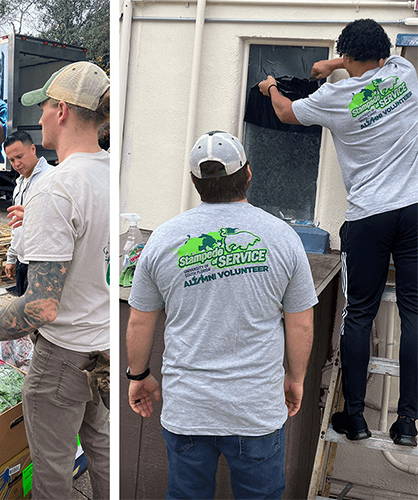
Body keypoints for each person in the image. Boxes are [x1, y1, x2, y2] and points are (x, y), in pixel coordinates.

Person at [127, 131, 317, 499]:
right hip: (256, 409)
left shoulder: (163, 239)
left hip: (188, 410)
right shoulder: (282, 238)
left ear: (195, 182)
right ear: (248, 173)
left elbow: (139, 320)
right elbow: (302, 321)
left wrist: (139, 375)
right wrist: (295, 379)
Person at [0, 61, 111, 499]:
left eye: (42, 106)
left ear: (61, 110)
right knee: (100, 449)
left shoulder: (56, 187)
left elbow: (41, 306)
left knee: (52, 473)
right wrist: (36, 224)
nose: (38, 116)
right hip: (101, 345)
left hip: (63, 358)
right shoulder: (109, 172)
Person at [259, 18, 417, 446]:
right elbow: (365, 63)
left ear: (347, 56)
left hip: (369, 218)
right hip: (414, 212)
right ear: (384, 52)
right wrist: (335, 64)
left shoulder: (334, 98)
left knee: (360, 314)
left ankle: (355, 417)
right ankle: (407, 422)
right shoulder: (406, 74)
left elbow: (286, 111)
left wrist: (272, 86)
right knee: (414, 313)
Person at [2, 131, 51, 296]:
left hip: (43, 264)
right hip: (23, 261)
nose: (16, 163)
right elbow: (16, 226)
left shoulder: (51, 179)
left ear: (33, 149)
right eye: (11, 160)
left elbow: (60, 222)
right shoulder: (20, 183)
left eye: (19, 156)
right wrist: (12, 257)